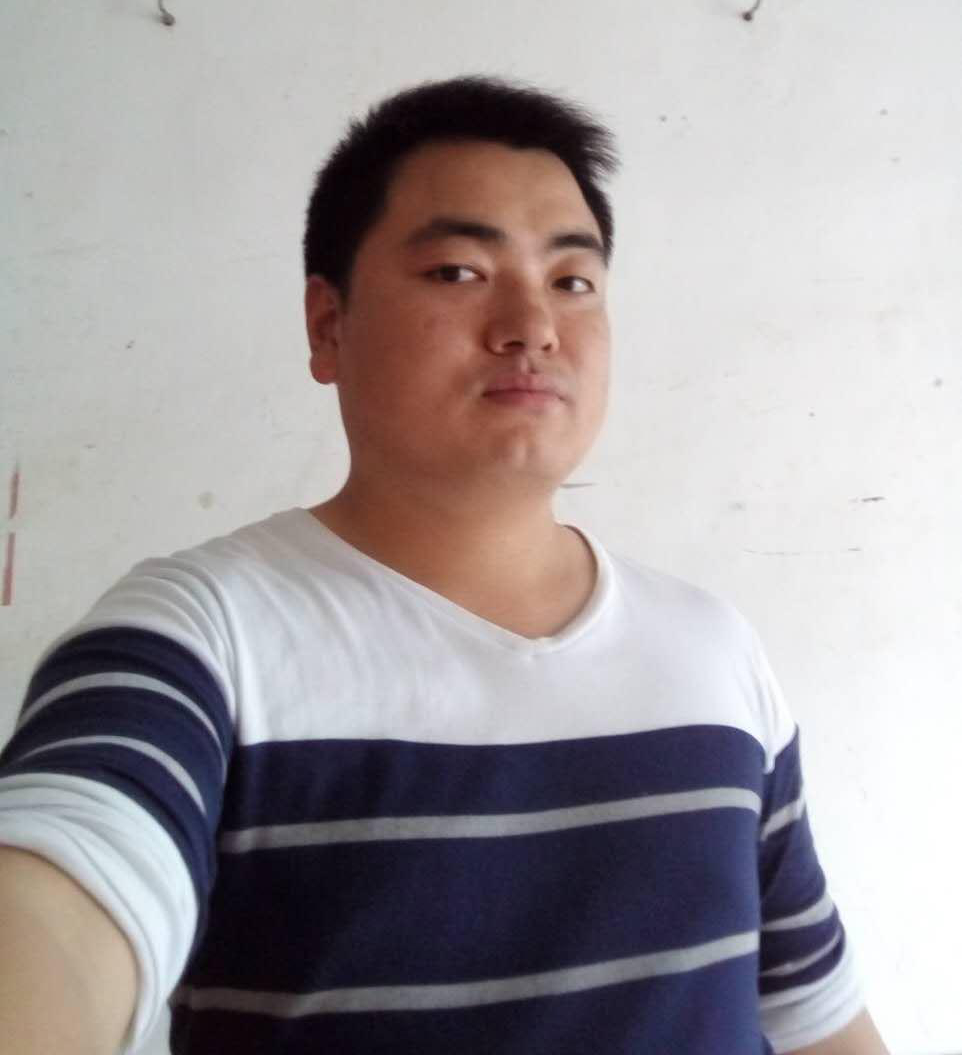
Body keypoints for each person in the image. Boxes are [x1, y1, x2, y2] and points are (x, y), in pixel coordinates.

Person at [0, 75, 888, 1054]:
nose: (532, 324)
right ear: (327, 324)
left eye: (572, 281)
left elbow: (817, 1020)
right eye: (459, 271)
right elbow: (59, 900)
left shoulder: (712, 652)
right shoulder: (202, 636)